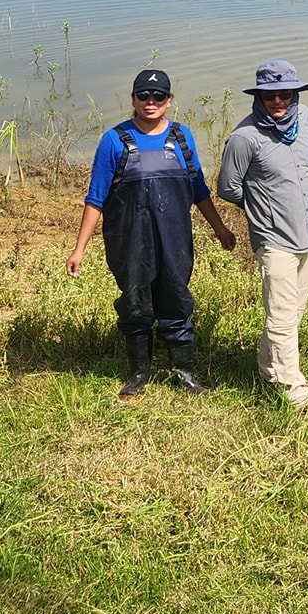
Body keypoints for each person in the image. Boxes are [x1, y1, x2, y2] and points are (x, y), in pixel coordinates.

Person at [68, 68, 236, 397]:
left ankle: (184, 374)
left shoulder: (182, 137)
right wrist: (79, 249)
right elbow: (96, 197)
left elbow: (199, 188)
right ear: (133, 99)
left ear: (169, 101)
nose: (151, 101)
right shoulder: (114, 140)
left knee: (176, 299)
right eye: (143, 95)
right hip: (129, 240)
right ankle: (138, 374)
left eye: (158, 96)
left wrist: (220, 228)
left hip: (174, 239)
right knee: (135, 303)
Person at [217, 59, 308, 413]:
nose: (278, 101)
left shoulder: (306, 120)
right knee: (281, 315)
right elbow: (228, 187)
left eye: (285, 94)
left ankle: (267, 369)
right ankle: (294, 390)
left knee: (293, 312)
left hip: (306, 233)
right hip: (273, 239)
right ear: (258, 97)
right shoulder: (244, 138)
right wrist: (264, 209)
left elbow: (305, 169)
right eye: (270, 95)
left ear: (295, 94)